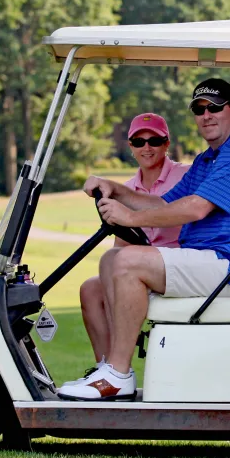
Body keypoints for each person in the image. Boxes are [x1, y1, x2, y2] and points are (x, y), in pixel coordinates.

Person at [58, 78, 230, 402]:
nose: (206, 115)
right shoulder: (210, 159)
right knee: (110, 260)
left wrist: (130, 217)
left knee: (125, 261)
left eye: (214, 107)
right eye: (199, 109)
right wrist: (114, 188)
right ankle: (112, 369)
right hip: (212, 261)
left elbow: (196, 208)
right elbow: (164, 203)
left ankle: (118, 374)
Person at [77, 112, 189, 369]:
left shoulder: (185, 177)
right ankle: (104, 368)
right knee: (91, 289)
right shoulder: (125, 190)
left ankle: (119, 367)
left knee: (116, 262)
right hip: (141, 270)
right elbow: (122, 247)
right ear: (130, 146)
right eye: (139, 142)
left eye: (154, 141)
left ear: (167, 143)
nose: (147, 147)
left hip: (176, 267)